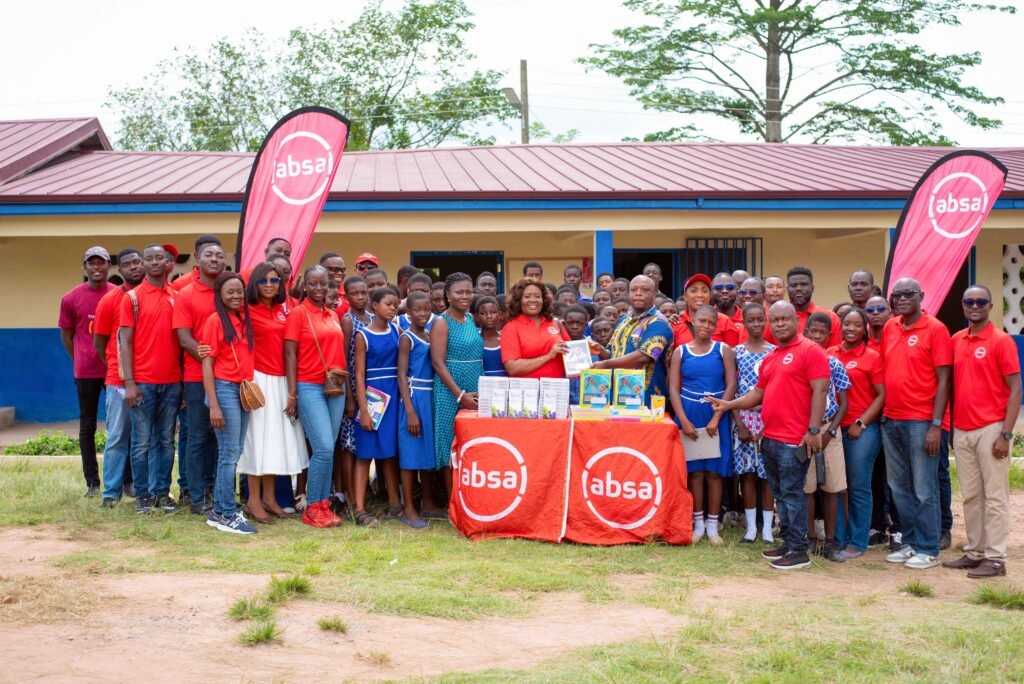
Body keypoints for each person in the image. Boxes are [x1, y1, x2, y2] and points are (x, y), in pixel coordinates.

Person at [708, 302, 830, 571]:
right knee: (781, 495)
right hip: (770, 437)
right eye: (775, 320)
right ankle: (788, 543)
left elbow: (820, 392)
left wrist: (813, 431)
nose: (780, 324)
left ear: (795, 321)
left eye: (785, 319)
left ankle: (799, 551)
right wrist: (729, 405)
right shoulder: (773, 356)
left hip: (794, 439)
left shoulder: (811, 350)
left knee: (792, 494)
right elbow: (759, 393)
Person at [943, 286, 1021, 578]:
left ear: (990, 306)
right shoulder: (956, 340)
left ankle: (996, 558)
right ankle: (975, 552)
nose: (974, 306)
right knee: (972, 495)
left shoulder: (1001, 341)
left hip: (992, 428)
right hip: (963, 429)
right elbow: (950, 387)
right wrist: (951, 427)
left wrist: (1006, 434)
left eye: (980, 302)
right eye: (969, 302)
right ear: (963, 306)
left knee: (996, 496)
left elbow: (1015, 390)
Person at [880, 277, 951, 570]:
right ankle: (909, 543)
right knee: (899, 488)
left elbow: (945, 379)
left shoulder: (936, 329)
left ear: (921, 296)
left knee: (924, 488)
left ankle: (929, 547)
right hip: (892, 418)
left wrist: (937, 424)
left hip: (922, 421)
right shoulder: (890, 327)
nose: (901, 299)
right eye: (896, 295)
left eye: (908, 294)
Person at [238, 262, 307, 523]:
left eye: (274, 280)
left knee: (275, 441)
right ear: (254, 284)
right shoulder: (246, 311)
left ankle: (269, 498)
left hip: (281, 381)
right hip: (258, 380)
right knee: (256, 440)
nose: (269, 285)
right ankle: (252, 500)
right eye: (263, 281)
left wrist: (291, 390)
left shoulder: (286, 309)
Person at [119, 245, 183, 514]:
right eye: (150, 258)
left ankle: (162, 493)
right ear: (143, 264)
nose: (155, 262)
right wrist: (130, 383)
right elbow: (125, 341)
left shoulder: (177, 297)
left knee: (167, 441)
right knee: (142, 442)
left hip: (172, 382)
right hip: (142, 382)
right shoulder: (132, 298)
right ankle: (142, 495)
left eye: (160, 258)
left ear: (168, 263)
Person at [284, 265, 347, 529]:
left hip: (335, 386)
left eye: (323, 283)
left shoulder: (332, 313)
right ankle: (312, 506)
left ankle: (322, 503)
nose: (319, 288)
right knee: (321, 447)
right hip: (309, 385)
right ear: (305, 286)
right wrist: (292, 393)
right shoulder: (298, 314)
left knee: (328, 448)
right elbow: (289, 354)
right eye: (313, 283)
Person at [669, 304, 736, 545]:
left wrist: (717, 417)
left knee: (714, 473)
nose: (706, 326)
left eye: (711, 323)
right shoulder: (681, 352)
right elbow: (674, 389)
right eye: (701, 321)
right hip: (689, 412)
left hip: (716, 413)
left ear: (716, 326)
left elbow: (731, 385)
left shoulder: (723, 349)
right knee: (695, 472)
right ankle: (697, 524)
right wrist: (684, 421)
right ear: (693, 322)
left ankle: (712, 525)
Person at [201, 272, 258, 535]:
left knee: (232, 452)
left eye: (239, 291)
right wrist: (213, 404)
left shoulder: (244, 318)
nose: (235, 296)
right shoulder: (215, 321)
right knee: (229, 453)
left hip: (243, 389)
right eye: (230, 292)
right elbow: (207, 364)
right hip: (224, 390)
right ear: (219, 295)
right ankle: (226, 513)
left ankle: (217, 512)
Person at [173, 240, 226, 513]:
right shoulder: (185, 294)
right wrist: (211, 360)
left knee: (222, 438)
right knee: (197, 437)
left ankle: (218, 492)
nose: (215, 259)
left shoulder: (229, 292)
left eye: (219, 255)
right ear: (197, 258)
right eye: (209, 255)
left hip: (227, 379)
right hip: (196, 378)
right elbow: (184, 338)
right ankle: (196, 497)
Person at [830, 307, 885, 559]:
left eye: (856, 325)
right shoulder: (830, 354)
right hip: (834, 428)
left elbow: (882, 396)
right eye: (847, 324)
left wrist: (861, 423)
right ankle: (838, 538)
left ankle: (857, 541)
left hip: (862, 430)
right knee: (837, 486)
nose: (851, 328)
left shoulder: (872, 357)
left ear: (865, 329)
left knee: (858, 485)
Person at [59, 246, 114, 496]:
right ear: (84, 268)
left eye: (101, 263)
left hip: (114, 370)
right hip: (86, 372)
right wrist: (81, 358)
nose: (96, 267)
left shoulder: (117, 295)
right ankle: (92, 483)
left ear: (108, 266)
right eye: (91, 263)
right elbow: (67, 337)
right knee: (87, 426)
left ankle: (125, 480)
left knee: (119, 426)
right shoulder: (71, 298)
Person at [93, 247, 144, 507]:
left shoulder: (153, 295)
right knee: (116, 438)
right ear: (120, 270)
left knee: (145, 439)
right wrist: (117, 366)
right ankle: (110, 493)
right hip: (118, 382)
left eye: (137, 262)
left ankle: (142, 489)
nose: (134, 267)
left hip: (151, 379)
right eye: (127, 264)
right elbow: (99, 343)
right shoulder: (110, 300)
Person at [803, 313, 851, 563]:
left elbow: (843, 403)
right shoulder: (800, 362)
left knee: (831, 487)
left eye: (822, 333)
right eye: (812, 332)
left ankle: (831, 541)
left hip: (829, 430)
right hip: (804, 431)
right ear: (805, 332)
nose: (816, 336)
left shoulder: (834, 364)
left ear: (829, 336)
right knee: (807, 488)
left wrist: (831, 432)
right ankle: (809, 537)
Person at [353, 288, 403, 527]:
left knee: (390, 453)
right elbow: (359, 374)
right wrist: (363, 410)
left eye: (395, 304)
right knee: (365, 454)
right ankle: (359, 509)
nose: (393, 308)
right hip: (372, 398)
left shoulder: (396, 329)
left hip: (393, 395)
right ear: (374, 306)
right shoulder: (363, 336)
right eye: (388, 304)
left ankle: (395, 504)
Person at [431, 272, 484, 496]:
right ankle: (452, 499)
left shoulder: (471, 319)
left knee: (470, 440)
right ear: (448, 295)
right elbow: (437, 362)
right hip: (449, 390)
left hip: (474, 385)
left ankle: (469, 494)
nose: (465, 296)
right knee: (448, 442)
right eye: (459, 292)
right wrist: (460, 395)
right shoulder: (442, 322)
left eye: (468, 291)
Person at [397, 291, 445, 524]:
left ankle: (427, 503)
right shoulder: (407, 338)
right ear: (408, 313)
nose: (423, 314)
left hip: (429, 398)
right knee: (410, 455)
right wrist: (410, 411)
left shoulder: (427, 335)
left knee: (426, 453)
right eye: (418, 310)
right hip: (414, 398)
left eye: (427, 310)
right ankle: (408, 509)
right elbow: (401, 375)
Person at [731, 302, 776, 544]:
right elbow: (733, 390)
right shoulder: (736, 352)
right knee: (747, 475)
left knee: (767, 475)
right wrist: (739, 423)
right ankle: (750, 528)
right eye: (752, 320)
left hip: (769, 419)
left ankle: (767, 528)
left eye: (761, 319)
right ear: (744, 323)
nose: (756, 324)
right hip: (744, 420)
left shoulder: (775, 351)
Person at [593, 275, 673, 405]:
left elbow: (644, 356)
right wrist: (600, 351)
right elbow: (612, 353)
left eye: (645, 290)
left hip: (646, 399)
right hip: (618, 396)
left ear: (654, 295)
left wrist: (606, 364)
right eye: (634, 290)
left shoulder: (659, 323)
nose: (638, 294)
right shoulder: (623, 320)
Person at [338, 275, 372, 513]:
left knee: (365, 444)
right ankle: (350, 497)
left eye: (364, 292)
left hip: (372, 389)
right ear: (347, 296)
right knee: (349, 445)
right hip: (352, 388)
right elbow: (344, 361)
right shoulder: (347, 321)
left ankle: (364, 492)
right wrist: (349, 397)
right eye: (355, 293)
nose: (360, 297)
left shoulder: (372, 318)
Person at [501, 279, 570, 378]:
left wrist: (588, 348)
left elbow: (571, 352)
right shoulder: (511, 328)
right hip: (526, 391)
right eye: (527, 296)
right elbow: (513, 368)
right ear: (519, 300)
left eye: (537, 296)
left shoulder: (554, 323)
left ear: (543, 300)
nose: (533, 300)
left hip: (556, 390)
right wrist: (548, 356)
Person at [771, 266, 840, 347]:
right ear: (787, 289)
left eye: (803, 285)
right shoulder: (775, 317)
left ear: (812, 288)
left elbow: (834, 353)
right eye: (794, 285)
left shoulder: (831, 317)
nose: (798, 288)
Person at [673, 274, 736, 347]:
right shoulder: (675, 322)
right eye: (693, 291)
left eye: (704, 291)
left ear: (709, 296)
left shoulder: (724, 321)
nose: (700, 295)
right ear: (685, 297)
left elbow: (732, 354)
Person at [477, 296, 506, 378]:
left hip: (503, 387)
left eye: (493, 312)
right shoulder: (474, 339)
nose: (489, 316)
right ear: (477, 317)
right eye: (483, 313)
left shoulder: (506, 338)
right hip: (481, 387)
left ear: (499, 314)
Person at [712, 272, 745, 344]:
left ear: (736, 291)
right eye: (718, 288)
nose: (724, 291)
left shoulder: (747, 318)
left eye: (730, 287)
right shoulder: (705, 319)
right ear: (711, 291)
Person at [320, 252, 350, 316]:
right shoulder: (313, 293)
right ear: (321, 269)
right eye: (334, 269)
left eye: (342, 269)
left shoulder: (349, 293)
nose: (339, 273)